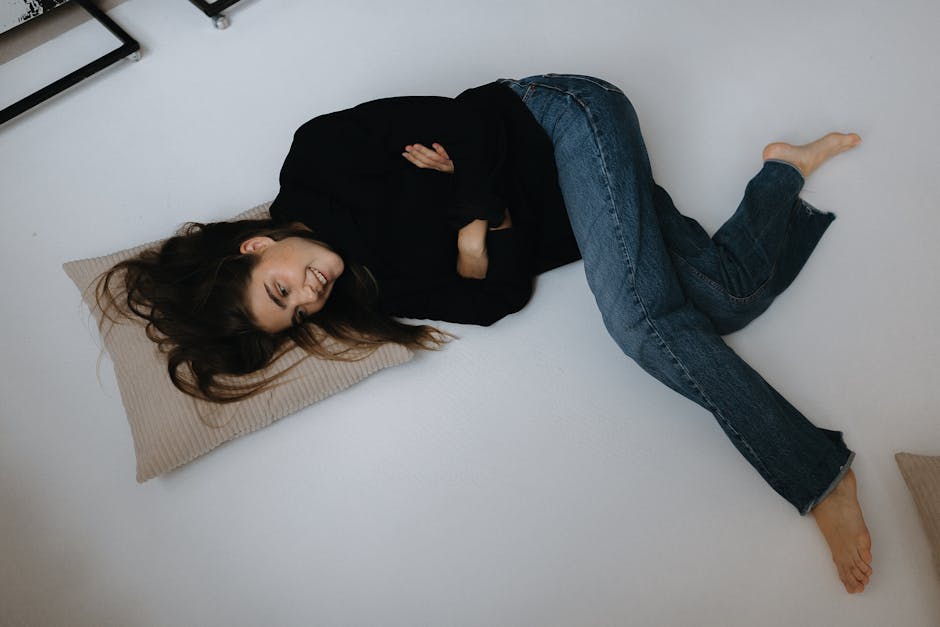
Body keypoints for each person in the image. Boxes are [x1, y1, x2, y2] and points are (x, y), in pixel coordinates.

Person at [98, 73, 872, 593]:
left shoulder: (318, 158)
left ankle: (818, 474)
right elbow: (500, 296)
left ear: (255, 244)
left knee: (641, 321)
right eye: (295, 312)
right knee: (726, 299)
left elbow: (464, 121)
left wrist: (470, 222)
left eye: (281, 287)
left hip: (563, 117)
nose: (310, 294)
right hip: (579, 208)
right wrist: (484, 215)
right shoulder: (366, 293)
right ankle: (784, 169)